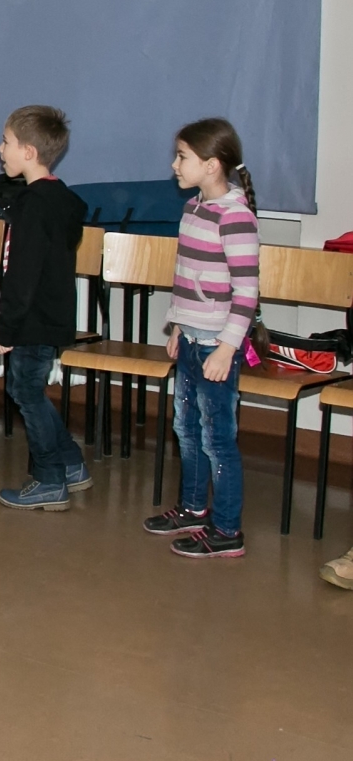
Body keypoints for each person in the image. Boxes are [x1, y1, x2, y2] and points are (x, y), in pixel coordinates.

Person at [143, 118, 260, 559]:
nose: (175, 165)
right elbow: (185, 276)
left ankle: (227, 528)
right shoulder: (194, 208)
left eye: (182, 157)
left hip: (216, 345)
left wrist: (227, 348)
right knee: (186, 429)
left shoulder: (235, 217)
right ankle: (193, 508)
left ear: (211, 165)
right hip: (191, 338)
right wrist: (176, 325)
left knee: (217, 439)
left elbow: (246, 292)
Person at [0, 106, 92, 511]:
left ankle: (50, 478)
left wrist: (7, 327)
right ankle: (70, 464)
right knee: (27, 389)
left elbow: (22, 272)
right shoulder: (60, 199)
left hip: (32, 318)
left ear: (29, 152)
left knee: (26, 391)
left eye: (6, 142)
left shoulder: (33, 205)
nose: (0, 150)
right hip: (50, 316)